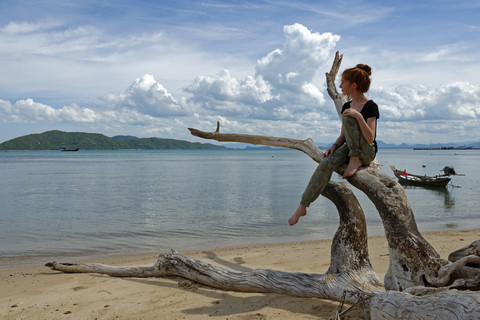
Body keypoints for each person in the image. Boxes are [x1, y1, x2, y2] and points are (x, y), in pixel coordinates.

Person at [288, 64, 379, 226]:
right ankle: (303, 205)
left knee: (351, 118)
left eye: (343, 82)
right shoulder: (346, 106)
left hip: (366, 151)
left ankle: (355, 159)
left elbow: (370, 138)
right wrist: (334, 147)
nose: (340, 86)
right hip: (349, 148)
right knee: (326, 163)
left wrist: (358, 116)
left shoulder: (371, 106)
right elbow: (343, 136)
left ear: (353, 85)